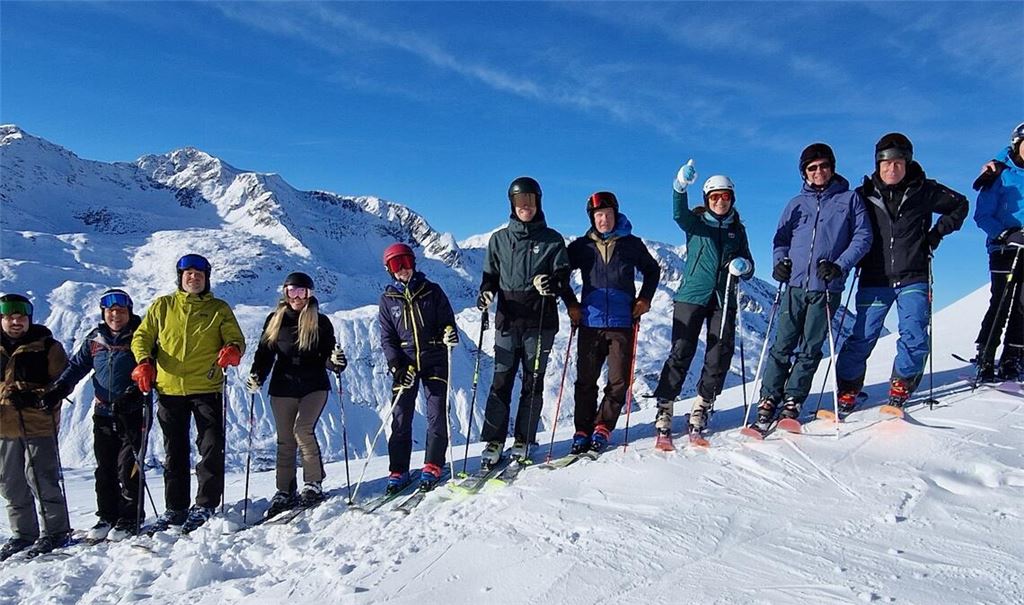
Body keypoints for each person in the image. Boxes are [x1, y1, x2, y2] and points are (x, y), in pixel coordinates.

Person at [835, 133, 969, 411]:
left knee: (915, 333)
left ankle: (902, 384)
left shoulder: (925, 190)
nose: (891, 168)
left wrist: (936, 234)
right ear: (877, 164)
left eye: (898, 162)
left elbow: (960, 204)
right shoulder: (863, 195)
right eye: (885, 163)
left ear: (907, 162)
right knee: (862, 335)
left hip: (914, 275)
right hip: (875, 277)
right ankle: (848, 389)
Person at [753, 144, 873, 426]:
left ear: (832, 167)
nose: (818, 172)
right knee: (782, 344)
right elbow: (780, 240)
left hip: (826, 287)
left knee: (810, 347)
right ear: (804, 173)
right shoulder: (796, 204)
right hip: (794, 286)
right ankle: (769, 396)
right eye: (812, 167)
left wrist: (839, 265)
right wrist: (780, 262)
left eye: (823, 166)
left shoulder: (849, 199)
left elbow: (863, 237)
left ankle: (793, 398)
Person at [131, 254, 245, 533]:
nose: (193, 278)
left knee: (210, 447)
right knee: (175, 451)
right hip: (169, 389)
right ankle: (176, 508)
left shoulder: (219, 309)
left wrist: (233, 349)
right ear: (180, 277)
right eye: (188, 273)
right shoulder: (163, 306)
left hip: (206, 387)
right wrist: (144, 361)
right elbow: (142, 336)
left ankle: (205, 504)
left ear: (207, 279)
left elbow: (236, 338)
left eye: (199, 274)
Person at [653, 162, 754, 448]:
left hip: (723, 297)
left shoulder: (738, 230)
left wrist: (743, 265)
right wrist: (679, 186)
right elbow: (678, 213)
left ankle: (703, 405)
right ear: (707, 200)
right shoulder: (696, 225)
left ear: (732, 198)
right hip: (692, 295)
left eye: (725, 196)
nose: (720, 201)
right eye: (714, 197)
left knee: (719, 353)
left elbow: (750, 266)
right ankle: (665, 408)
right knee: (682, 350)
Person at [477, 176, 574, 467]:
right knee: (501, 381)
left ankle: (524, 438)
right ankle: (494, 440)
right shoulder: (499, 240)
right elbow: (489, 277)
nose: (525, 207)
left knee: (533, 382)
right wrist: (485, 294)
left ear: (538, 203)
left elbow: (563, 277)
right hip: (508, 321)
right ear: (512, 205)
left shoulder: (552, 240)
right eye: (520, 202)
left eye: (530, 201)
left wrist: (551, 284)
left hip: (539, 321)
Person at [565, 191, 660, 453]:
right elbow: (559, 273)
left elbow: (653, 270)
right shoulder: (581, 247)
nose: (603, 219)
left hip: (622, 322)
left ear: (615, 215)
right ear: (591, 218)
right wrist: (571, 303)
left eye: (607, 214)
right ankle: (582, 430)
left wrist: (645, 299)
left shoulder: (631, 244)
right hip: (589, 322)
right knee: (585, 381)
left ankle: (603, 426)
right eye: (598, 215)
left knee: (619, 381)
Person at [50, 289, 148, 541]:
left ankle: (130, 517)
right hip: (103, 411)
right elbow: (77, 365)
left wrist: (133, 394)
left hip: (132, 412)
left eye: (121, 311)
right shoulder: (96, 339)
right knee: (104, 467)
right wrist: (61, 386)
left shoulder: (140, 337)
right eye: (111, 311)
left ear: (130, 312)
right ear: (104, 313)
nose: (116, 315)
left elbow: (149, 368)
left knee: (129, 466)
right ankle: (107, 515)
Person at [247, 272, 347, 517]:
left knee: (302, 430)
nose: (297, 297)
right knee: (285, 440)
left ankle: (313, 483)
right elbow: (265, 353)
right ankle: (285, 490)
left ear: (309, 294)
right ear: (285, 293)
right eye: (292, 291)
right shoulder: (275, 320)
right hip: (282, 388)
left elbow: (328, 354)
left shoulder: (320, 322)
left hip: (314, 386)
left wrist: (336, 363)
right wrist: (256, 375)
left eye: (302, 292)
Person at [377, 244, 458, 492]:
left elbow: (447, 322)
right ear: (389, 270)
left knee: (437, 413)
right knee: (401, 416)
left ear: (413, 263)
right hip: (406, 364)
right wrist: (396, 367)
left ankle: (433, 463)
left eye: (405, 262)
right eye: (395, 264)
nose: (402, 269)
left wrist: (449, 334)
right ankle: (398, 469)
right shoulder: (388, 300)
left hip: (434, 358)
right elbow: (387, 338)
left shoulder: (431, 291)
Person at [0, 294, 71, 560]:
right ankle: (23, 534)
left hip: (38, 425)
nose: (16, 322)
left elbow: (62, 383)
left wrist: (35, 396)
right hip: (4, 426)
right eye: (10, 318)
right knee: (10, 483)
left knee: (43, 480)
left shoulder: (47, 347)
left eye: (21, 317)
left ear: (29, 319)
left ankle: (56, 531)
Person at [973, 124, 1024, 382]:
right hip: (1004, 246)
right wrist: (1005, 234)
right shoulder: (999, 173)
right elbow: (981, 214)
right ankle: (986, 354)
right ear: (1017, 144)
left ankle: (1013, 357)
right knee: (1001, 300)